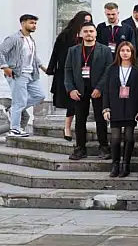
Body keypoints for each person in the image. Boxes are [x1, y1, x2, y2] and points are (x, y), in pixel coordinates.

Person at [64, 22, 113, 160]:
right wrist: (71, 89)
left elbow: (108, 70)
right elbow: (67, 70)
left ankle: (104, 147)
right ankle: (80, 148)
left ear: (96, 33)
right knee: (80, 119)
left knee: (100, 119)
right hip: (79, 90)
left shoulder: (105, 50)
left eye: (91, 31)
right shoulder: (73, 50)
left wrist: (100, 87)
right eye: (85, 31)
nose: (88, 34)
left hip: (98, 89)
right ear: (80, 34)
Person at [0, 14, 47, 137]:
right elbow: (1, 52)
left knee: (40, 96)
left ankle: (13, 110)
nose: (34, 25)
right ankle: (14, 129)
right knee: (19, 102)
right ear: (23, 23)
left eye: (35, 23)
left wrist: (42, 67)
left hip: (31, 73)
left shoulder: (30, 39)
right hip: (17, 74)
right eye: (31, 23)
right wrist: (5, 67)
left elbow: (33, 56)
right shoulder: (13, 38)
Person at [102, 42, 138, 177]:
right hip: (115, 106)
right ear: (118, 52)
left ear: (132, 53)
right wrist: (106, 108)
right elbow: (106, 90)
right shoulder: (111, 69)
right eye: (122, 50)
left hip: (131, 107)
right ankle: (115, 164)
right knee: (115, 138)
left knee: (129, 138)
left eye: (128, 50)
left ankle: (126, 165)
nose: (125, 53)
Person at [47, 11, 91, 140]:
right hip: (66, 72)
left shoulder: (88, 35)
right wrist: (51, 69)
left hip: (83, 73)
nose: (87, 23)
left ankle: (74, 128)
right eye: (85, 21)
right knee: (71, 101)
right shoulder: (66, 35)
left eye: (89, 21)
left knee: (78, 102)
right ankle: (67, 127)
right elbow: (56, 53)